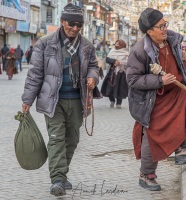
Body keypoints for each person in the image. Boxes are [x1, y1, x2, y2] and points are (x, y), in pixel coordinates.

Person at [21, 3, 99, 197]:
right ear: (62, 21)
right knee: (56, 139)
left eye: (79, 25)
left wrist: (92, 76)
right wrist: (27, 99)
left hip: (77, 100)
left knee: (72, 140)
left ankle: (62, 175)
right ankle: (57, 179)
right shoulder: (45, 43)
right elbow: (35, 73)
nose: (75, 28)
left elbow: (94, 65)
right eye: (71, 24)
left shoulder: (87, 45)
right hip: (53, 101)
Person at [126, 8, 186, 192]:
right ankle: (146, 174)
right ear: (149, 31)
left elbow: (179, 58)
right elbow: (133, 79)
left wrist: (184, 55)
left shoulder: (172, 41)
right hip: (154, 99)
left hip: (177, 92)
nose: (165, 29)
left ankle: (184, 150)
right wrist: (159, 80)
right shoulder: (139, 50)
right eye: (160, 26)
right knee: (153, 135)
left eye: (165, 24)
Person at [101, 39, 129, 108]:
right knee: (109, 87)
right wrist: (114, 61)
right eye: (116, 43)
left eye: (118, 44)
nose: (116, 45)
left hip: (121, 72)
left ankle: (119, 103)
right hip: (112, 72)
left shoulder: (126, 53)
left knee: (120, 87)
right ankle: (112, 100)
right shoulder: (112, 51)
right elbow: (107, 59)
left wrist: (120, 62)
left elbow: (128, 62)